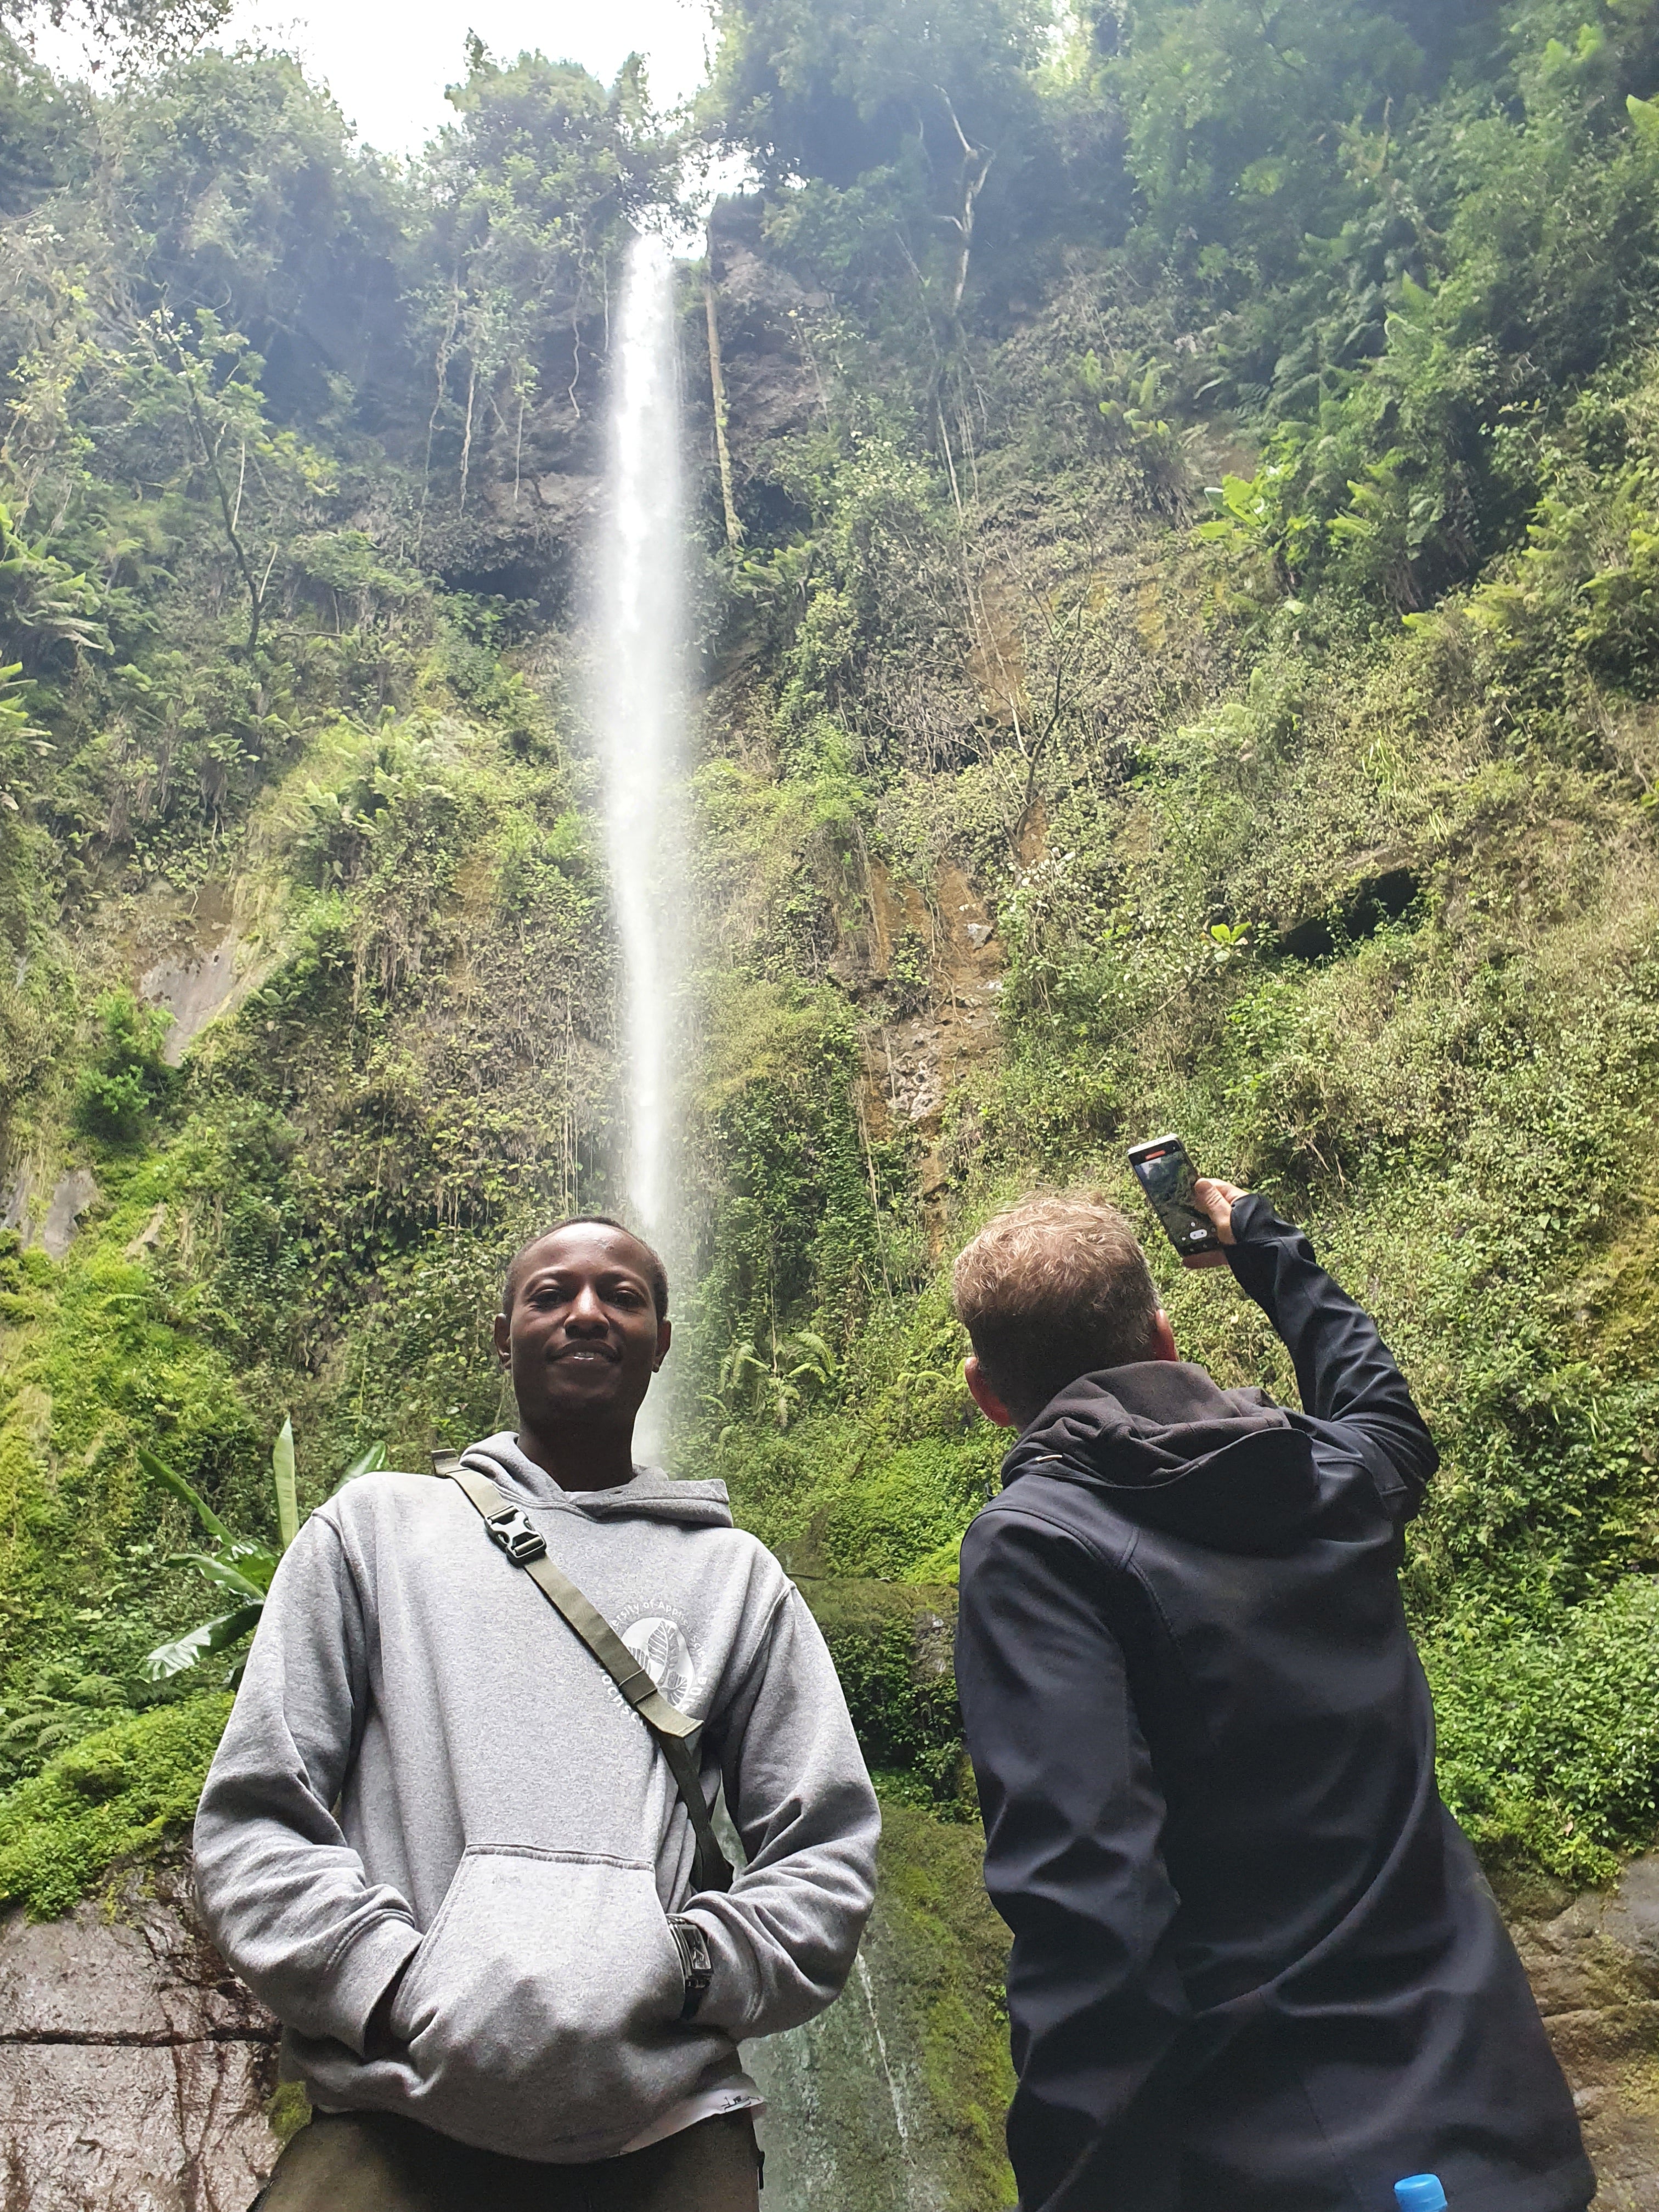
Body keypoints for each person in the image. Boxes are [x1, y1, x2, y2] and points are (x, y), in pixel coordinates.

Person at [195, 1215, 880, 2212]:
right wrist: (384, 1985)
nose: (587, 1312)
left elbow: (827, 1851)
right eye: (551, 1294)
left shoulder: (737, 1578)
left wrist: (690, 1969)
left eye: (623, 1295)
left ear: (663, 1342)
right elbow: (255, 1816)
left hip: (666, 2127)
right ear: (504, 1333)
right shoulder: (374, 1533)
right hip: (392, 2118)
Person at [950, 1178, 1593, 2212]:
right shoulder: (1325, 1469)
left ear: (987, 1393)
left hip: (1284, 2160)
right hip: (1498, 2122)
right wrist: (1263, 1245)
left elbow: (1091, 1912)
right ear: (1162, 1337)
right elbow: (1384, 1415)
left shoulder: (1039, 1549)